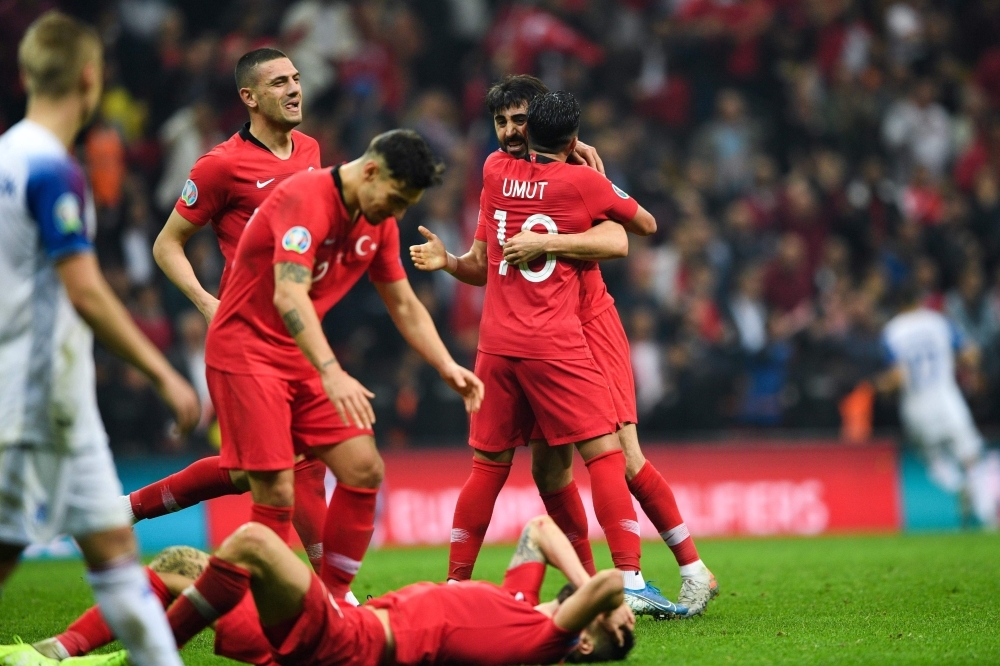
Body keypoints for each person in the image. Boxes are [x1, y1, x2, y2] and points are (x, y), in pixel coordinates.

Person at [411, 75, 717, 617]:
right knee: (552, 471)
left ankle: (689, 568)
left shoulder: (543, 173)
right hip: (545, 336)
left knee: (622, 456)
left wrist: (554, 227)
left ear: (541, 122)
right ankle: (596, 581)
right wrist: (454, 261)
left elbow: (620, 238)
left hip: (584, 327)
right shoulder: (513, 171)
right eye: (501, 121)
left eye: (520, 119)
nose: (509, 130)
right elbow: (490, 261)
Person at [204, 129, 484, 602]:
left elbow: (404, 303)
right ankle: (233, 618)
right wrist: (332, 371)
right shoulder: (304, 198)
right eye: (395, 199)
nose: (395, 213)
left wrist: (445, 365)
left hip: (297, 354)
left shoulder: (378, 219)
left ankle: (333, 606)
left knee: (363, 468)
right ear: (370, 171)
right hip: (245, 351)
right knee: (274, 492)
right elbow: (287, 292)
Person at [0, 11, 201, 666]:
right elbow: (86, 291)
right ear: (91, 78)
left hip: (62, 400)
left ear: (29, 73)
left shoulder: (9, 157)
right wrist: (166, 373)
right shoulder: (52, 170)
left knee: (121, 566)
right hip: (31, 402)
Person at [126, 46, 330, 573]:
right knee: (288, 466)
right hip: (246, 337)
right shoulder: (221, 166)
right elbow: (166, 244)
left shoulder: (310, 150)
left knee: (257, 469)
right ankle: (333, 593)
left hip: (298, 329)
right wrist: (206, 301)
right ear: (250, 97)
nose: (294, 89)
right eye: (279, 82)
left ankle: (125, 509)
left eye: (296, 78)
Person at [4, 546, 274, 665]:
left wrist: (133, 506)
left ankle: (140, 659)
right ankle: (60, 648)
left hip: (306, 646)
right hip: (310, 624)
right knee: (179, 561)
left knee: (250, 544)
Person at [876, 283, 998, 528]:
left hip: (916, 407)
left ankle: (958, 486)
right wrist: (971, 372)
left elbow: (898, 376)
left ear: (899, 305)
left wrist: (880, 386)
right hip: (947, 400)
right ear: (920, 301)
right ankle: (985, 516)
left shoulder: (891, 331)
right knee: (971, 455)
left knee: (933, 461)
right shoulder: (939, 322)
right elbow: (970, 355)